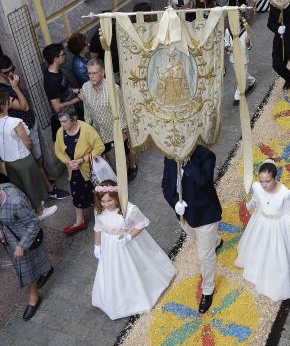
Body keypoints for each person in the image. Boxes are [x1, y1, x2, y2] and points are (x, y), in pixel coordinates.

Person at [92, 181, 175, 320]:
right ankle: (116, 300)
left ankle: (141, 294)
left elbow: (141, 223)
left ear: (116, 197)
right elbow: (98, 228)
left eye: (110, 200)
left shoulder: (129, 209)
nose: (107, 204)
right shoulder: (99, 211)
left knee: (135, 267)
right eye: (103, 201)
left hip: (127, 243)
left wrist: (129, 236)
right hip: (109, 247)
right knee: (113, 271)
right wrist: (97, 245)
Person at [235, 160, 290, 300]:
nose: (264, 184)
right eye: (262, 181)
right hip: (261, 222)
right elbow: (256, 199)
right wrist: (249, 204)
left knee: (280, 253)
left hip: (280, 226)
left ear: (275, 177)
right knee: (259, 249)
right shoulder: (257, 187)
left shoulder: (286, 194)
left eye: (268, 181)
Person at [162, 145, 222, 313]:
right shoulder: (169, 157)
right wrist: (175, 203)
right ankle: (216, 241)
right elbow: (166, 185)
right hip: (185, 215)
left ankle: (208, 290)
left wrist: (187, 162)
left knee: (205, 256)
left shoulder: (206, 155)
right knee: (203, 242)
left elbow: (203, 180)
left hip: (206, 214)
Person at [0, 55, 67, 199]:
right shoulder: (3, 90)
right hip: (22, 129)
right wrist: (16, 87)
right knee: (37, 161)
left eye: (12, 69)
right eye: (6, 72)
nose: (11, 74)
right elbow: (24, 107)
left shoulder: (8, 81)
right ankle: (49, 190)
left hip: (29, 123)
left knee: (39, 160)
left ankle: (46, 185)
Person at [0, 183, 54, 321]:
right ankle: (46, 269)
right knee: (33, 258)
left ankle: (34, 297)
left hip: (23, 237)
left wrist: (22, 245)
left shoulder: (15, 201)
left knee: (26, 268)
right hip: (10, 235)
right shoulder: (4, 188)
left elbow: (34, 223)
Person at [0, 92, 57, 220]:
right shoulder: (15, 122)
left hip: (8, 162)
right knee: (32, 185)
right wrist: (29, 150)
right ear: (5, 105)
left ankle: (31, 210)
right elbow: (27, 141)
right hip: (23, 159)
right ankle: (40, 211)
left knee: (21, 187)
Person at [81, 59, 137, 182]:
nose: (91, 76)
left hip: (115, 129)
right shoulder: (85, 88)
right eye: (89, 73)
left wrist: (123, 130)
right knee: (104, 152)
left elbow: (121, 111)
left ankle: (132, 165)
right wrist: (87, 128)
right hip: (99, 130)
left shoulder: (113, 88)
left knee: (125, 150)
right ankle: (114, 175)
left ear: (103, 72)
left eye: (94, 73)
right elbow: (87, 109)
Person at [54, 106, 105, 235]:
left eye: (65, 121)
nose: (62, 124)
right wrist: (68, 162)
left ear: (74, 119)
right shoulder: (60, 132)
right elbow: (58, 151)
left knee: (96, 195)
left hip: (89, 171)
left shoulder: (87, 130)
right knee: (76, 194)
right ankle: (79, 221)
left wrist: (82, 160)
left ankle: (102, 220)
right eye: (60, 121)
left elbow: (100, 147)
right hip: (74, 172)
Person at [42, 43, 83, 140]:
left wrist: (75, 90)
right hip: (65, 119)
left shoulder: (57, 70)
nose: (65, 55)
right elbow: (57, 107)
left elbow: (63, 88)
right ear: (55, 59)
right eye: (62, 54)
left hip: (71, 113)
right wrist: (77, 99)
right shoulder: (51, 80)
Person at [224, 14, 256, 107]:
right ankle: (252, 81)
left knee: (240, 76)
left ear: (240, 21)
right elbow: (225, 42)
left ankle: (237, 96)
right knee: (242, 74)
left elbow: (249, 46)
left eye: (236, 21)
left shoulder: (245, 31)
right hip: (234, 57)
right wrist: (228, 48)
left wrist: (248, 42)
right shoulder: (228, 31)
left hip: (243, 57)